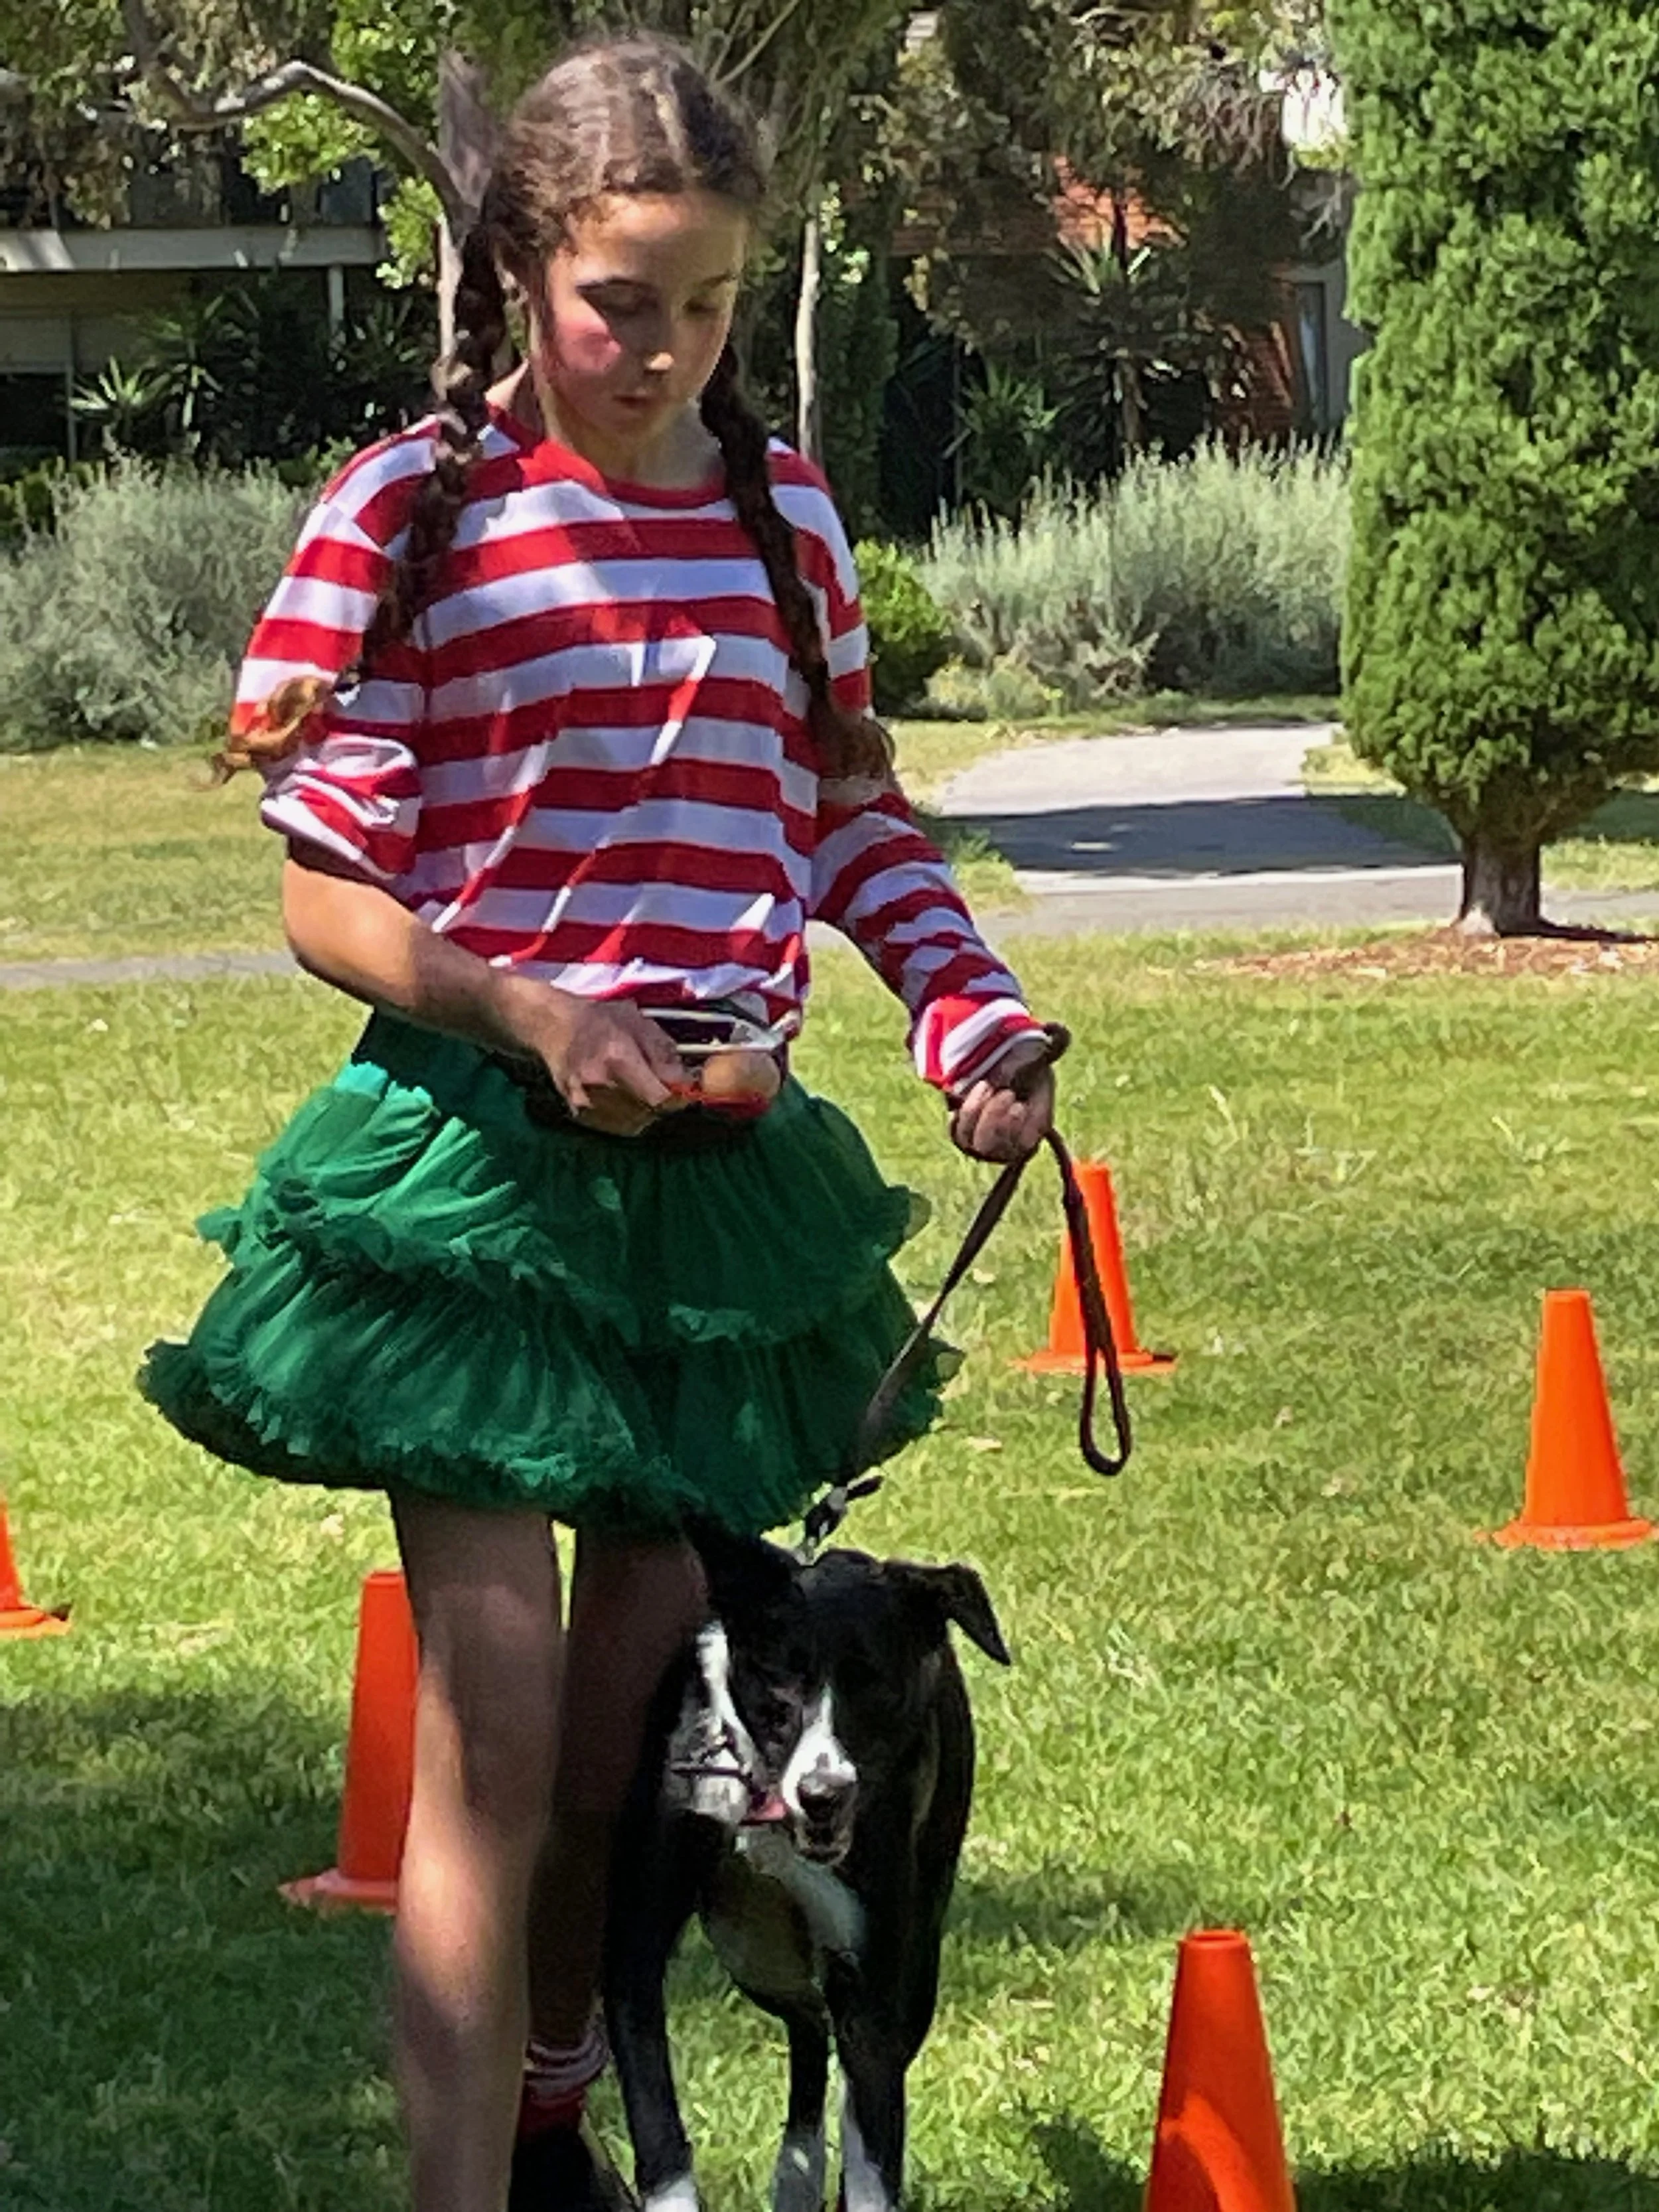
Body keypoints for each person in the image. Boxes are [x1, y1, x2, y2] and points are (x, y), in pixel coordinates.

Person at [140, 29, 1056, 2212]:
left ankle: (558, 2086)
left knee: (624, 1768)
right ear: (522, 269)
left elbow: (851, 827)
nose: (663, 349)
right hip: (475, 1183)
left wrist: (970, 1016)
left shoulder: (779, 511)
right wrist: (525, 1008)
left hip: (717, 1204)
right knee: (495, 1738)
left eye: (710, 301)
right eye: (618, 299)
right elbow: (317, 881)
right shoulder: (418, 510)